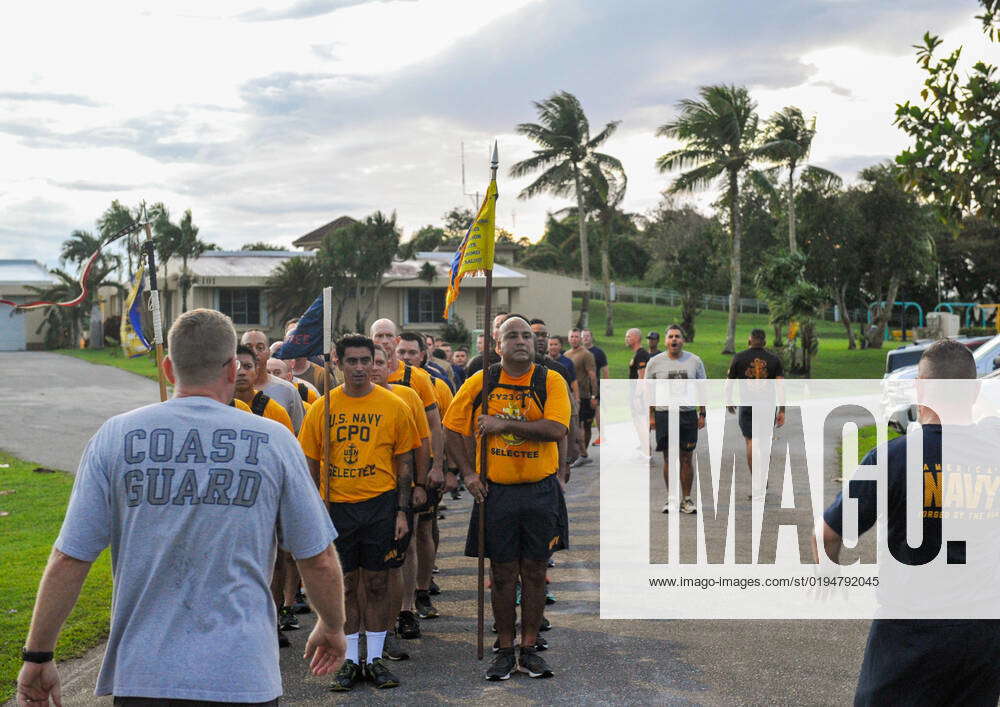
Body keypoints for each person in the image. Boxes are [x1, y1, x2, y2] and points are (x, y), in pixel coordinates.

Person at [16, 309, 346, 706]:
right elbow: (318, 557)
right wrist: (332, 624)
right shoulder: (273, 440)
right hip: (241, 673)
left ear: (170, 369)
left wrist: (38, 654)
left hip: (144, 675)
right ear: (231, 369)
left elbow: (70, 557)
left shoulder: (116, 435)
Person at [817, 339, 1000, 705]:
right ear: (975, 389)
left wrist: (829, 572)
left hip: (910, 635)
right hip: (984, 638)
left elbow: (829, 534)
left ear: (919, 389)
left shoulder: (893, 458)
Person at [444, 315, 571, 681]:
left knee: (534, 572)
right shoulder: (481, 381)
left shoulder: (550, 380)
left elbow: (555, 429)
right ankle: (504, 647)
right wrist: (468, 473)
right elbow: (452, 428)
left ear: (535, 344)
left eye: (526, 336)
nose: (520, 341)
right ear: (497, 346)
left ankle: (529, 648)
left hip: (539, 491)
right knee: (501, 574)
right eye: (511, 335)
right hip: (496, 492)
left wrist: (504, 424)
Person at [298, 333, 420, 691]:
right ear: (338, 364)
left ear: (375, 362)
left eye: (366, 360)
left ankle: (376, 657)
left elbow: (405, 462)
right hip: (337, 506)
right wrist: (314, 508)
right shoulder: (325, 407)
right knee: (346, 585)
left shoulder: (394, 404)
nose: (359, 368)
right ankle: (351, 660)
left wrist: (401, 512)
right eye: (351, 361)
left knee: (379, 582)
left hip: (380, 504)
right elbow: (310, 461)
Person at [370, 345, 430, 660]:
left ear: (390, 364)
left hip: (396, 493)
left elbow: (421, 444)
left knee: (394, 563)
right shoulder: (334, 400)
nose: (374, 368)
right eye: (369, 362)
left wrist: (421, 482)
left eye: (380, 362)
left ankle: (392, 625)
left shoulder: (407, 397)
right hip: (354, 496)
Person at [396, 331, 453, 620]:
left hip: (425, 465)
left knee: (423, 529)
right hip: (395, 469)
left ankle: (422, 588)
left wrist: (441, 466)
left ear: (422, 355)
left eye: (411, 352)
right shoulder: (377, 379)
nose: (405, 357)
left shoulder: (436, 385)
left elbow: (442, 428)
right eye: (401, 352)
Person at [644, 324, 706, 514]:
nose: (674, 340)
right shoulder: (655, 363)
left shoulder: (694, 361)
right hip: (664, 414)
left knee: (686, 458)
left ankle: (686, 499)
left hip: (687, 414)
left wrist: (702, 413)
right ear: (665, 341)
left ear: (683, 340)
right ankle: (671, 499)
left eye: (677, 336)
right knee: (668, 458)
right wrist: (651, 416)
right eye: (670, 337)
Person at [725, 329, 784, 495]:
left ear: (749, 340)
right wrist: (782, 410)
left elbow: (728, 383)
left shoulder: (739, 358)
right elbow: (780, 387)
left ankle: (757, 483)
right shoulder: (774, 359)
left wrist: (728, 400)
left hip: (747, 406)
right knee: (764, 444)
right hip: (767, 406)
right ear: (764, 342)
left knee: (751, 442)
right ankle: (762, 478)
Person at [241, 329, 305, 433]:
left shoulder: (288, 390)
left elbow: (300, 435)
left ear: (268, 352)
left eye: (260, 348)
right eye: (248, 347)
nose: (254, 352)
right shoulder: (229, 390)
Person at [233, 345, 294, 434]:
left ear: (257, 371)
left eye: (248, 366)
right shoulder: (215, 408)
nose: (242, 372)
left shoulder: (276, 412)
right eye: (236, 366)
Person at [565, 329, 598, 460]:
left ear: (580, 338)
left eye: (576, 337)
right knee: (575, 425)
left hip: (585, 395)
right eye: (571, 336)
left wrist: (594, 396)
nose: (574, 339)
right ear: (568, 339)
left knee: (586, 426)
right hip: (570, 396)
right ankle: (580, 453)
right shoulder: (566, 355)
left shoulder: (586, 354)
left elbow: (593, 376)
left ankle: (584, 451)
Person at [581, 329, 608, 446]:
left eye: (587, 336)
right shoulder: (578, 352)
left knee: (597, 410)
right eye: (584, 336)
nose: (586, 338)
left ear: (592, 337)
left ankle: (602, 437)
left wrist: (606, 385)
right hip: (581, 387)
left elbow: (605, 371)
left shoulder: (598, 352)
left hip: (594, 385)